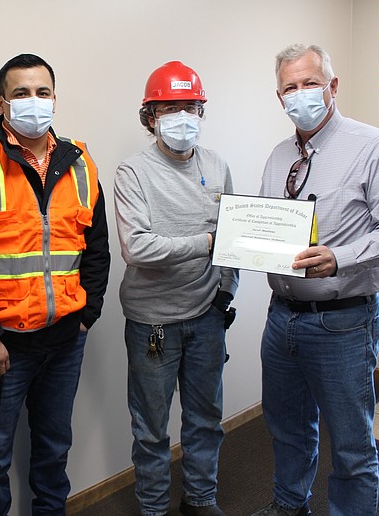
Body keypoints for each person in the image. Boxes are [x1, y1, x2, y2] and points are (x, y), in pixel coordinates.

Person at [251, 44, 379, 516]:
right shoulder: (280, 155)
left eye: (310, 83)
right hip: (281, 319)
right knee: (286, 429)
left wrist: (339, 258)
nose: (300, 94)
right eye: (290, 87)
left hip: (342, 323)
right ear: (279, 97)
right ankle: (289, 506)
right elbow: (269, 221)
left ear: (333, 87)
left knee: (350, 444)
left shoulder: (374, 146)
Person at [0, 53, 111, 515]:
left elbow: (95, 247)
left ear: (55, 98)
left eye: (42, 92)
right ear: (2, 101)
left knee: (55, 448)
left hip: (65, 341)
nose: (33, 102)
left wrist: (87, 313)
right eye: (21, 93)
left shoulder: (80, 158)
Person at [114, 61, 239, 516]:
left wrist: (226, 291)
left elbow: (235, 238)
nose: (183, 117)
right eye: (171, 108)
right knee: (151, 429)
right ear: (150, 117)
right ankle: (153, 507)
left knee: (206, 421)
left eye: (191, 107)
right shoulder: (133, 171)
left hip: (207, 316)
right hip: (154, 323)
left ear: (202, 111)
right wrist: (207, 242)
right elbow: (138, 248)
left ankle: (201, 499)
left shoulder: (218, 165)